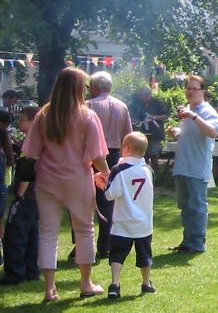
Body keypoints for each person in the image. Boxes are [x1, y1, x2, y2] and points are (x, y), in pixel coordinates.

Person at [21, 67, 110, 302]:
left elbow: (31, 152)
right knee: (85, 230)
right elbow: (97, 155)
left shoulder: (43, 114)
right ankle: (85, 283)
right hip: (78, 181)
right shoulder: (87, 115)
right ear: (78, 88)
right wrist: (107, 173)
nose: (87, 89)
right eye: (85, 86)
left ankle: (49, 289)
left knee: (48, 233)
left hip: (48, 181)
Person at [169, 75, 218, 254]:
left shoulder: (207, 111)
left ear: (203, 91)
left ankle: (197, 244)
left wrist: (193, 116)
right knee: (185, 207)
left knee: (197, 206)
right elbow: (192, 134)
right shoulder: (188, 111)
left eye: (194, 88)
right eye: (188, 88)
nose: (190, 91)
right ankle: (187, 241)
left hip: (197, 167)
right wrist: (178, 132)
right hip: (183, 166)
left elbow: (213, 132)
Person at [86, 71, 133, 260]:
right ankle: (105, 245)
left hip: (91, 155)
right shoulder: (122, 106)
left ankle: (83, 244)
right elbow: (128, 135)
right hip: (114, 155)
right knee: (109, 201)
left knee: (86, 199)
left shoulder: (88, 106)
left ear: (95, 87)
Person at [104, 132, 156, 298]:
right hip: (144, 222)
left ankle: (115, 284)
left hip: (123, 222)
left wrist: (102, 183)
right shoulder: (148, 170)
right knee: (145, 254)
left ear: (126, 148)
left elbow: (110, 194)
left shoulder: (119, 170)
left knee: (118, 253)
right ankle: (146, 283)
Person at [1, 107, 40, 285]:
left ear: (33, 121)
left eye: (23, 119)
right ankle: (31, 270)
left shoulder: (32, 142)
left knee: (16, 234)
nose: (19, 122)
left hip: (26, 195)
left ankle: (15, 273)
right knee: (32, 234)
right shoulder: (43, 139)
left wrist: (19, 196)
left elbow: (28, 169)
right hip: (38, 195)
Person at [131, 87, 168, 173]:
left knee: (154, 154)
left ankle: (156, 173)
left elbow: (166, 115)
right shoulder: (139, 103)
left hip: (155, 133)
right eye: (139, 96)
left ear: (148, 95)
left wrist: (155, 117)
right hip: (143, 133)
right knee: (144, 155)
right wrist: (135, 120)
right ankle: (145, 172)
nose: (140, 98)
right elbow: (135, 116)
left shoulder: (157, 102)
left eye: (141, 96)